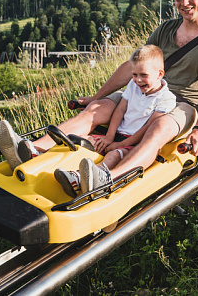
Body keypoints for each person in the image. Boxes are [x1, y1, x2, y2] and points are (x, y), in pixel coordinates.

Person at [0, 0, 198, 192]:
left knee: (159, 128)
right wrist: (96, 98)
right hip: (145, 89)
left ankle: (108, 177)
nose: (184, 3)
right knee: (96, 109)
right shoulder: (166, 29)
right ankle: (32, 149)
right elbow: (134, 66)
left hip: (182, 103)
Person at [53, 44, 176, 197]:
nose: (138, 80)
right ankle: (48, 158)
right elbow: (120, 110)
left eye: (143, 75)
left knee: (114, 155)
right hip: (117, 134)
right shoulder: (133, 85)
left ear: (159, 74)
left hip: (133, 142)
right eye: (134, 74)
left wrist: (121, 144)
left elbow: (148, 128)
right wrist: (110, 136)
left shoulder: (166, 99)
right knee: (84, 140)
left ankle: (91, 177)